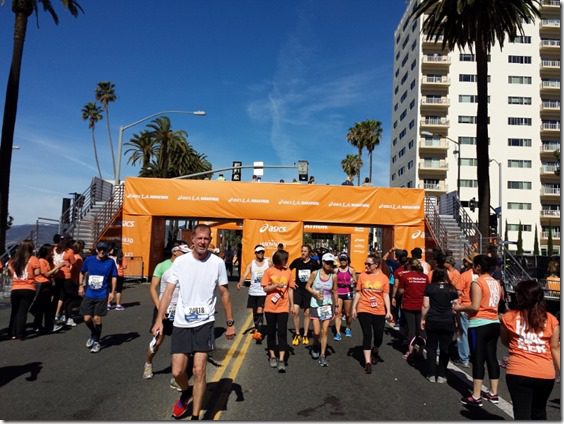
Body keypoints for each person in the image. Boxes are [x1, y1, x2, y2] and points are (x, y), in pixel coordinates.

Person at [152, 224, 236, 420]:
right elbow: (168, 292)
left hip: (205, 322)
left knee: (199, 371)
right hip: (182, 322)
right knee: (177, 371)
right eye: (199, 238)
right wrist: (159, 320)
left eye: (206, 238)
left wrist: (230, 323)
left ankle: (196, 417)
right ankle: (186, 391)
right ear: (192, 240)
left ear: (210, 240)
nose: (202, 242)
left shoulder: (217, 263)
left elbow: (224, 292)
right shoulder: (180, 262)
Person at [500, 280, 560, 420]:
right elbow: (555, 348)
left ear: (520, 297)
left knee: (522, 414)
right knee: (539, 412)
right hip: (545, 373)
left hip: (518, 371)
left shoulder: (509, 317)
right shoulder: (551, 320)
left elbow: (505, 341)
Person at [453, 255, 503, 407]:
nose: (472, 267)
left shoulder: (478, 282)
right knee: (492, 358)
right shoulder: (496, 282)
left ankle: (476, 395)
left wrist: (459, 307)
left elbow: (474, 306)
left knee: (478, 358)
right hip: (494, 322)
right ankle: (494, 393)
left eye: (474, 265)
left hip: (479, 323)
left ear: (479, 267)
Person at [144, 242, 190, 381]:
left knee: (180, 344)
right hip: (164, 308)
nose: (186, 255)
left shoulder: (187, 266)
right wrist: (160, 308)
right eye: (183, 252)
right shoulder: (162, 266)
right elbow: (153, 288)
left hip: (180, 310)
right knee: (157, 341)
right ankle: (148, 362)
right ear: (174, 251)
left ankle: (178, 374)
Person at [352, 254, 392, 374]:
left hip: (379, 310)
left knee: (379, 336)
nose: (366, 266)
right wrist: (354, 308)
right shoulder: (362, 276)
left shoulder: (384, 278)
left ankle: (375, 349)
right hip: (364, 308)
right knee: (367, 334)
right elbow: (358, 293)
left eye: (368, 264)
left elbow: (385, 295)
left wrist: (389, 311)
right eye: (365, 264)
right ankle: (368, 362)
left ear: (376, 265)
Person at [78, 241, 118, 354]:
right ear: (96, 250)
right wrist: (80, 286)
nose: (102, 251)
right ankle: (93, 333)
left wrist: (112, 292)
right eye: (100, 249)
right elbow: (82, 272)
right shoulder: (89, 260)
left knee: (97, 318)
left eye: (104, 250)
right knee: (86, 319)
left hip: (102, 294)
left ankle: (96, 341)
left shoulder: (110, 262)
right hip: (89, 293)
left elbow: (114, 277)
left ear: (107, 251)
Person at [421, 268, 459, 383]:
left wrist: (422, 319)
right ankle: (442, 374)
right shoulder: (452, 289)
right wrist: (457, 321)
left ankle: (431, 373)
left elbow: (426, 306)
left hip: (433, 319)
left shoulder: (429, 288)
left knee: (431, 347)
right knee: (445, 348)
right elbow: (455, 307)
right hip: (447, 320)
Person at [261, 249, 295, 373]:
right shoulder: (268, 271)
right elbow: (265, 289)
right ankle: (272, 356)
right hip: (270, 306)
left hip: (283, 306)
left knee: (282, 332)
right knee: (271, 332)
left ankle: (281, 359)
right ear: (279, 260)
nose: (287, 262)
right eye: (285, 259)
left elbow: (290, 289)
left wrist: (292, 305)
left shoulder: (289, 272)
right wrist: (275, 286)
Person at [306, 253, 339, 366]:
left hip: (327, 305)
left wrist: (336, 306)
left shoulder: (334, 276)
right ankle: (315, 344)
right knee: (316, 332)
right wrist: (314, 293)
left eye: (331, 263)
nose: (329, 265)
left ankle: (322, 355)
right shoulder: (315, 274)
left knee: (324, 331)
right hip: (315, 304)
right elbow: (307, 286)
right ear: (322, 262)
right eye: (327, 262)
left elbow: (335, 291)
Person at [397, 259, 429, 359]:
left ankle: (410, 351)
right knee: (421, 328)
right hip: (422, 305)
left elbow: (401, 291)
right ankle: (421, 350)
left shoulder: (405, 276)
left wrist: (396, 297)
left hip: (409, 305)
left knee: (411, 328)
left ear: (410, 266)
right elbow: (427, 292)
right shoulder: (425, 277)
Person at [289, 245, 320, 346]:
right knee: (295, 311)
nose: (302, 253)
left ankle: (305, 334)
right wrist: (291, 282)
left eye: (305, 251)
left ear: (309, 253)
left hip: (308, 291)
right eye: (302, 251)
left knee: (307, 313)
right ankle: (297, 334)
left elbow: (319, 273)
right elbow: (288, 270)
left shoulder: (313, 263)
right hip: (298, 290)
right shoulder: (297, 261)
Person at [237, 244, 269, 340]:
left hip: (263, 292)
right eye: (259, 252)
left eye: (262, 252)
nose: (261, 253)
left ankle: (259, 332)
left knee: (260, 309)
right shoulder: (252, 264)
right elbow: (245, 274)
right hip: (253, 291)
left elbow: (277, 266)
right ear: (255, 253)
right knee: (254, 311)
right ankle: (257, 326)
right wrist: (240, 282)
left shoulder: (268, 262)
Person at [7, 240, 38, 340]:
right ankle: (20, 333)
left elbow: (10, 273)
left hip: (15, 288)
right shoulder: (33, 259)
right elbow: (37, 272)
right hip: (28, 287)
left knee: (14, 311)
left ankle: (12, 332)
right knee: (22, 311)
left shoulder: (14, 259)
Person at [31, 243, 63, 333]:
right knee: (43, 306)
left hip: (47, 284)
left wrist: (58, 268)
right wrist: (58, 266)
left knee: (45, 307)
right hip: (42, 285)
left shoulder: (46, 261)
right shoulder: (41, 261)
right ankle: (43, 325)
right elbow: (46, 274)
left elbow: (51, 273)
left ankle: (40, 325)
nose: (52, 253)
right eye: (50, 251)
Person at [453, 254, 475, 368]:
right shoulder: (482, 276)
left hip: (465, 306)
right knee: (476, 334)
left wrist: (456, 306)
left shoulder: (465, 275)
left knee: (463, 333)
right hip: (478, 309)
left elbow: (458, 292)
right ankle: (476, 357)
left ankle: (464, 358)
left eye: (465, 261)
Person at [53, 236, 77, 326]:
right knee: (69, 297)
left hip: (56, 275)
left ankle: (57, 315)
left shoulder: (54, 250)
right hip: (66, 276)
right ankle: (68, 317)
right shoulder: (69, 251)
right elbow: (74, 264)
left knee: (59, 296)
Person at [333, 253, 356, 341]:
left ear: (347, 261)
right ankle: (338, 333)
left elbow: (355, 281)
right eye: (341, 260)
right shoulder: (336, 270)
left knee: (347, 314)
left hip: (348, 293)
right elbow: (332, 280)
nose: (343, 261)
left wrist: (353, 282)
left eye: (344, 260)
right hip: (338, 293)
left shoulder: (351, 270)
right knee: (338, 313)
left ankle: (348, 327)